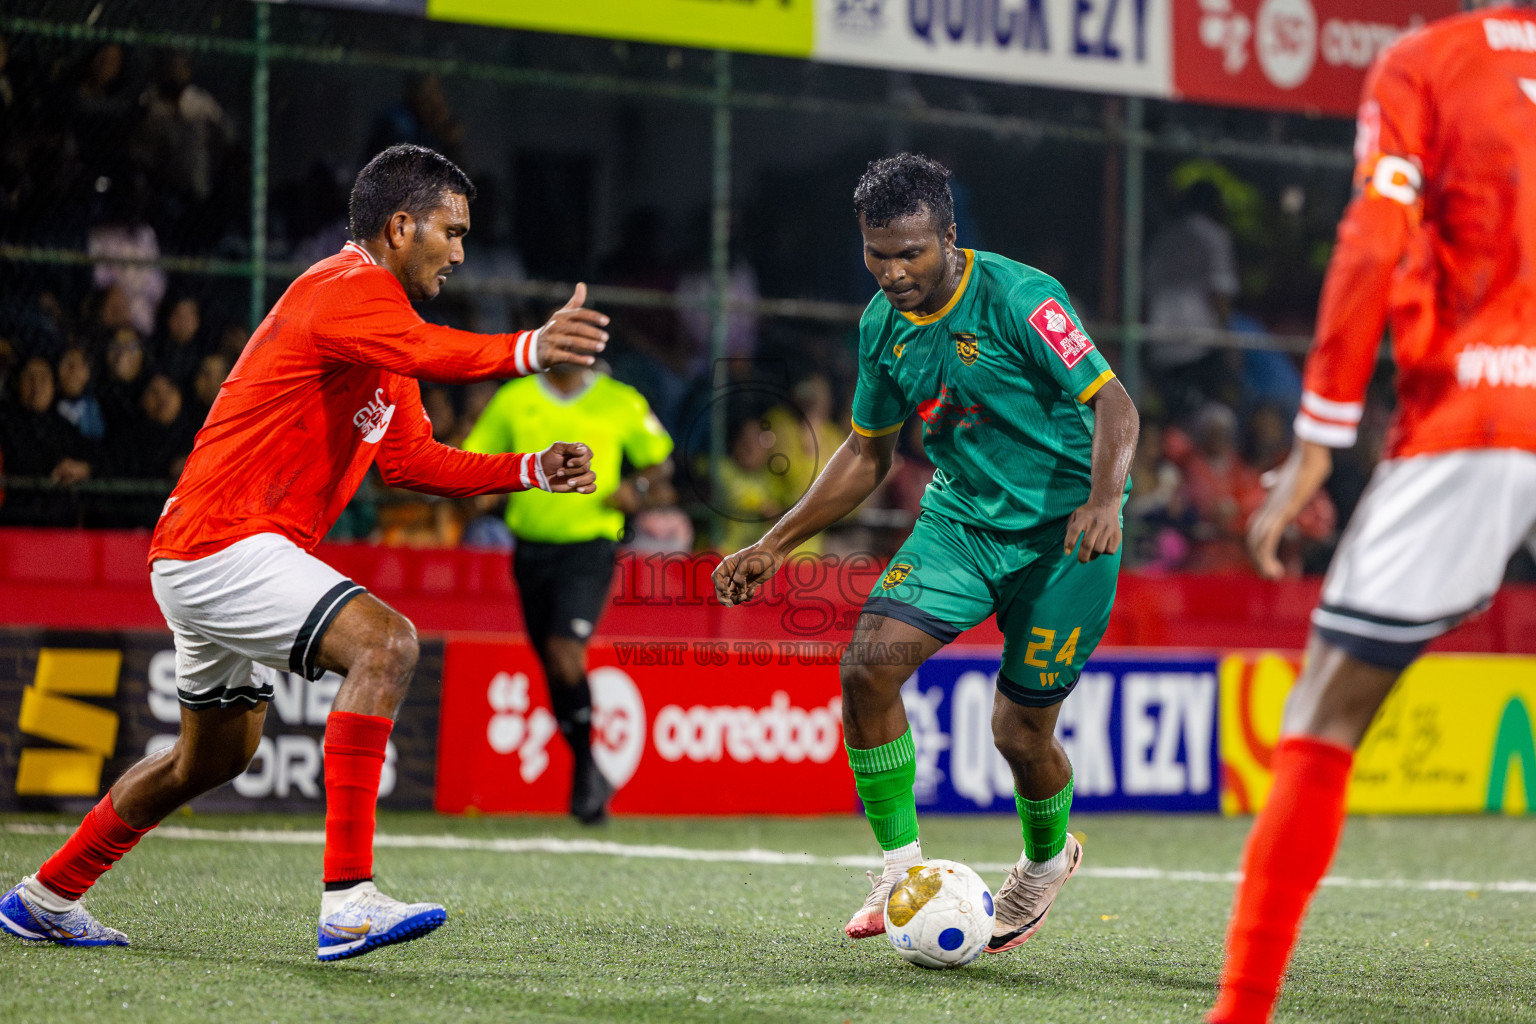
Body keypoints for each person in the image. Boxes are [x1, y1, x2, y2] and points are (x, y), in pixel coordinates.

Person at [0, 144, 606, 961]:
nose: (461, 252)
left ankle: (45, 897)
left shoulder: (380, 332)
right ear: (400, 226)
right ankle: (349, 900)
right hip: (227, 543)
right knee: (387, 643)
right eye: (451, 232)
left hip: (204, 552)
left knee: (207, 759)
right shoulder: (346, 287)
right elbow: (437, 353)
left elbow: (410, 461)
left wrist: (528, 470)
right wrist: (531, 348)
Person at [713, 154, 1138, 951]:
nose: (893, 271)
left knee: (1019, 734)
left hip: (1067, 537)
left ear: (948, 235)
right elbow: (867, 453)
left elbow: (1114, 402)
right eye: (877, 253)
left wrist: (1105, 497)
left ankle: (1046, 864)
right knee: (867, 667)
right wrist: (775, 542)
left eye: (910, 252)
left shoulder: (1022, 297)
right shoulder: (880, 327)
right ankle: (899, 869)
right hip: (961, 527)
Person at [1209, 5, 1536, 1022]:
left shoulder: (1425, 62)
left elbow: (1372, 239)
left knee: (1322, 712)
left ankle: (1241, 1011)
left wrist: (1319, 435)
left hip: (1484, 411)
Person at [462, 360, 674, 823]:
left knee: (564, 654)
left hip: (591, 546)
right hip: (529, 548)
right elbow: (476, 456)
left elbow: (661, 463)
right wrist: (485, 485)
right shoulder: (514, 399)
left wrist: (635, 485)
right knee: (553, 667)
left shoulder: (621, 400)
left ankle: (583, 773)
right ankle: (588, 765)